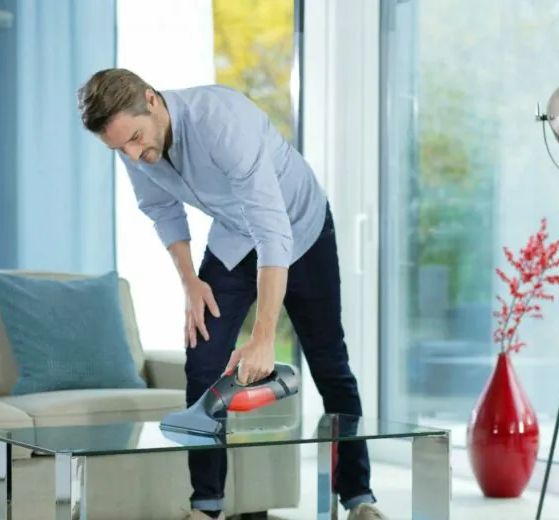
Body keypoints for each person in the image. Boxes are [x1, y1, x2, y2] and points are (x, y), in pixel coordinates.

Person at [77, 68, 386, 520]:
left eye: (136, 139)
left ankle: (358, 496)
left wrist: (263, 337)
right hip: (234, 238)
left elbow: (272, 230)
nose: (134, 154)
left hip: (300, 228)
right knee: (202, 360)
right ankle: (207, 504)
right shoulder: (131, 140)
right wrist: (190, 281)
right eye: (120, 147)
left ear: (152, 100)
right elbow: (161, 208)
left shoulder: (222, 122)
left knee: (329, 363)